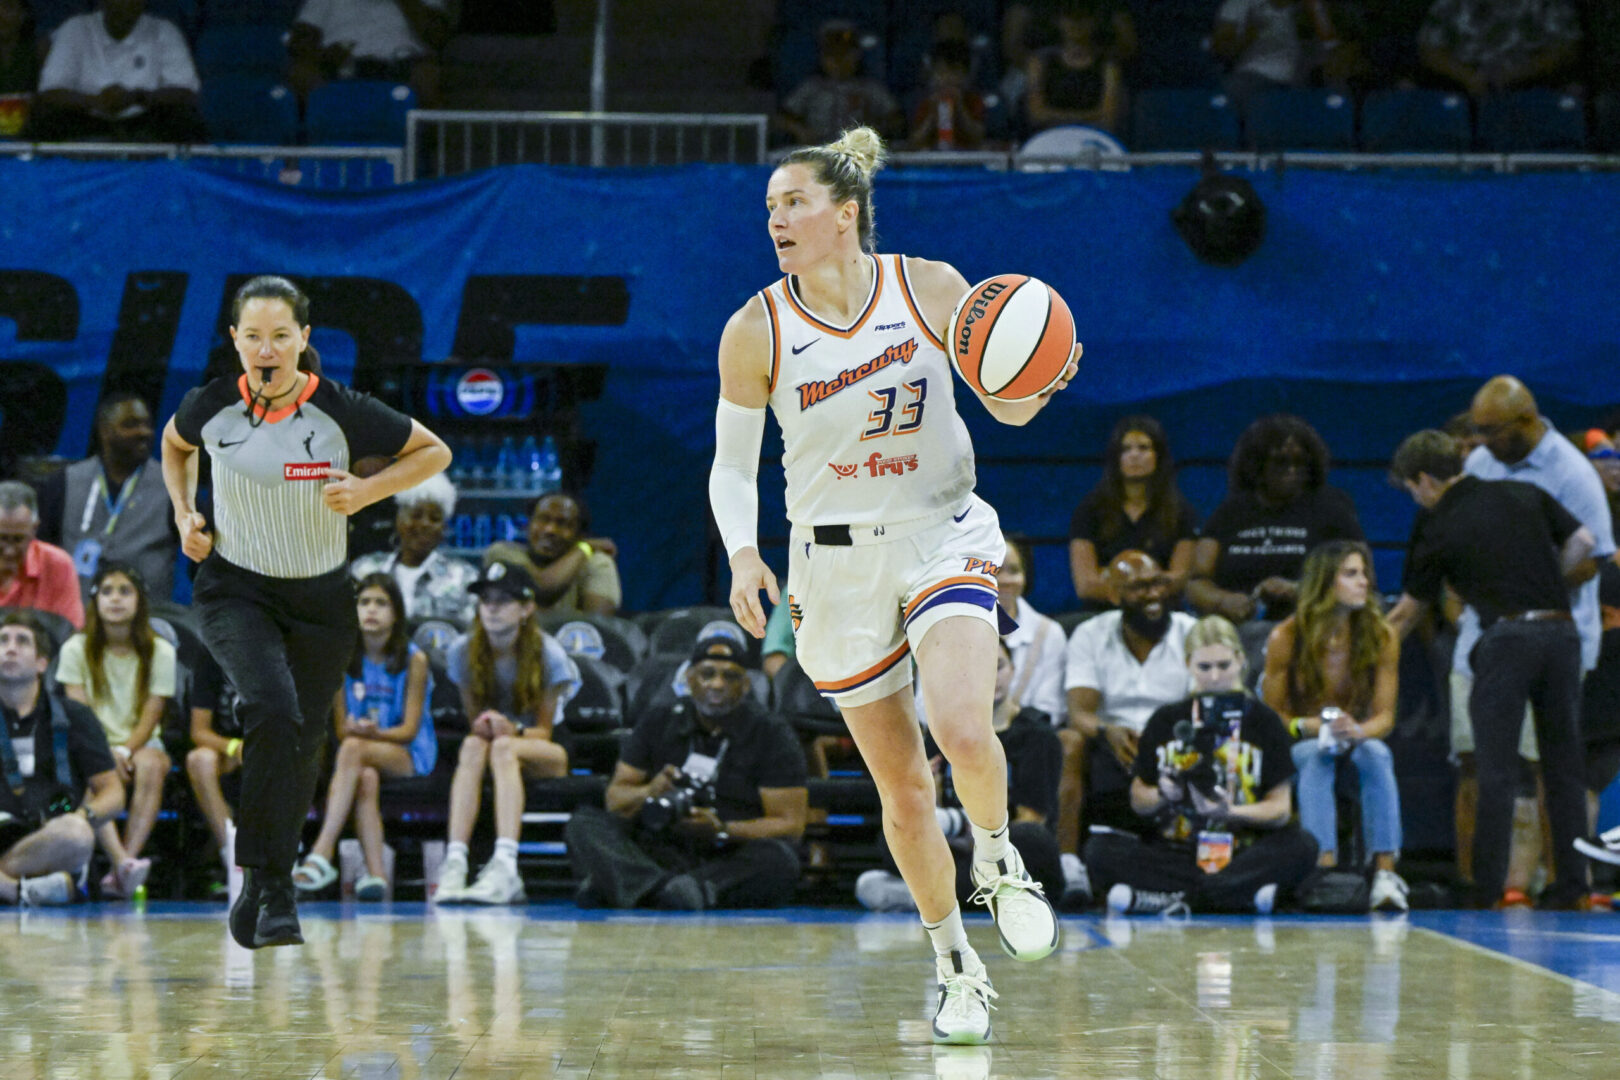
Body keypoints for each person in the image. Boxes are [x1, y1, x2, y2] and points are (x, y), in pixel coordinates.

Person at [712, 126, 1079, 1045]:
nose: (776, 220)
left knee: (962, 725)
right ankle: (956, 965)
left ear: (846, 214)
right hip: (830, 565)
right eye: (768, 208)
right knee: (906, 790)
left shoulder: (931, 286)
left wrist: (1042, 380)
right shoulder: (756, 327)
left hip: (940, 535)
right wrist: (742, 553)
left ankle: (1000, 864)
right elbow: (730, 468)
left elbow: (1003, 400)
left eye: (792, 203)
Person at [161, 275, 451, 949]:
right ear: (236, 341)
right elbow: (175, 448)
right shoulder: (212, 406)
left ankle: (265, 887)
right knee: (270, 709)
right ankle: (273, 881)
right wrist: (184, 515)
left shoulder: (340, 410)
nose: (267, 349)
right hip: (235, 587)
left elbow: (434, 451)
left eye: (281, 336)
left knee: (304, 743)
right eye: (254, 336)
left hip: (322, 598)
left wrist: (369, 490)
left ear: (304, 341)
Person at [1386, 429, 1595, 909]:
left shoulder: (1438, 524)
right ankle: (1572, 887)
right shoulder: (1524, 491)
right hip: (1562, 634)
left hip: (1508, 639)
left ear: (1423, 481)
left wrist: (1371, 652)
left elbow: (1409, 611)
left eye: (1412, 490)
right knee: (1564, 767)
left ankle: (1485, 887)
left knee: (1495, 768)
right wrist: (1543, 584)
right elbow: (1584, 541)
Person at [1449, 377, 1614, 902]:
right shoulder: (1480, 466)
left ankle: (1569, 882)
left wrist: (1523, 582)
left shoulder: (1572, 474)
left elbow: (1592, 560)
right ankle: (1483, 879)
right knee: (1483, 761)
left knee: (1555, 764)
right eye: (1478, 432)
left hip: (1559, 633)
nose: (1485, 442)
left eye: (1493, 432)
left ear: (1527, 421)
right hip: (1488, 632)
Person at [1088, 615, 1318, 914]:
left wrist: (1231, 811)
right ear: (1188, 665)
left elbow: (1280, 810)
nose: (1213, 677)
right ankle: (1234, 897)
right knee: (1099, 850)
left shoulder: (1265, 722)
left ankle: (1172, 899)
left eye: (1223, 666)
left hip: (1242, 850)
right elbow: (1138, 801)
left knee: (1303, 845)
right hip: (1177, 850)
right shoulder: (1167, 720)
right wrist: (1164, 794)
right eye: (1204, 667)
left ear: (1239, 661)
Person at [566, 631, 808, 910]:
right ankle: (668, 890)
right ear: (690, 679)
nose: (717, 684)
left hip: (730, 852)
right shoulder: (658, 719)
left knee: (780, 860)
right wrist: (649, 791)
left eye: (730, 677)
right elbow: (615, 799)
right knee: (584, 824)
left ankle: (630, 885)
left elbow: (790, 825)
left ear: (745, 685)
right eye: (707, 674)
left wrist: (722, 830)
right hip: (660, 844)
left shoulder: (771, 731)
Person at [859, 638, 1064, 912]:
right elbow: (922, 820)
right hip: (955, 852)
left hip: (1006, 852)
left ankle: (922, 899)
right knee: (893, 835)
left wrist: (968, 832)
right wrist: (927, 797)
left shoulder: (1037, 735)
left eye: (998, 666)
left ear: (1013, 670)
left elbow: (1031, 820)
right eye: (978, 667)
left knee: (1032, 842)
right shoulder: (941, 733)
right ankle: (962, 897)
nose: (990, 676)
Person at [1262, 540, 1408, 911]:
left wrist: (1358, 731)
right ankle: (1321, 868)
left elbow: (1385, 717)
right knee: (1317, 756)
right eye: (1351, 574)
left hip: (1355, 737)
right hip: (1303, 740)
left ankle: (1385, 873)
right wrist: (1307, 726)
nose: (1364, 583)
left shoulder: (1381, 635)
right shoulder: (1286, 636)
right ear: (1325, 583)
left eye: (1364, 574)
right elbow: (1270, 718)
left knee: (1377, 753)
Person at [434, 559, 579, 906]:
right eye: (486, 600)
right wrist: (486, 726)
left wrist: (511, 729)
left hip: (546, 747)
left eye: (504, 600)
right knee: (472, 744)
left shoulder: (549, 654)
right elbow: (474, 723)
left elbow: (544, 730)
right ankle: (455, 862)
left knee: (503, 749)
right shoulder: (462, 652)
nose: (493, 608)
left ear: (527, 608)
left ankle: (505, 866)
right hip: (495, 744)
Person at [1060, 550, 1197, 891]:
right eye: (1138, 588)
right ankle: (1069, 866)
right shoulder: (1090, 635)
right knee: (1074, 745)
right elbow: (1079, 714)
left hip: (1177, 745)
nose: (1153, 595)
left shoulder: (1191, 632)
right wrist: (1107, 731)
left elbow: (1203, 707)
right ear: (1113, 595)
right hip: (1114, 745)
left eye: (1157, 584)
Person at [293, 573, 435, 900]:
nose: (371, 610)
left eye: (381, 603)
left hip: (409, 753)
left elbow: (409, 730)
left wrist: (373, 733)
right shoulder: (340, 658)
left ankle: (321, 853)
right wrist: (359, 732)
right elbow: (342, 730)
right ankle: (376, 876)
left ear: (396, 613)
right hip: (362, 754)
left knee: (356, 751)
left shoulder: (415, 660)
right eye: (364, 602)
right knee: (365, 778)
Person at [53, 561, 175, 900]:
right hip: (93, 744)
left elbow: (153, 712)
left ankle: (127, 860)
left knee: (152, 764)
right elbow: (79, 714)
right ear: (94, 600)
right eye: (107, 591)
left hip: (140, 744)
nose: (116, 599)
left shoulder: (161, 650)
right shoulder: (75, 649)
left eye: (125, 591)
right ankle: (122, 864)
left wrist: (124, 751)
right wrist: (104, 752)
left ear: (140, 601)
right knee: (97, 776)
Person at [1189, 414, 1364, 626]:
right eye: (1281, 462)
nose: (1292, 470)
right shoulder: (1230, 511)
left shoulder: (1332, 508)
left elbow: (1362, 579)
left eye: (1300, 463)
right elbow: (1196, 581)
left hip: (1313, 628)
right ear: (1257, 465)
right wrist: (1222, 600)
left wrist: (1299, 590)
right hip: (1241, 630)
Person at [0, 610, 124, 906]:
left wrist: (84, 816)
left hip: (49, 835)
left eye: (22, 641)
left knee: (77, 834)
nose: (10, 648)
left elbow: (113, 791)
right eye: (3, 640)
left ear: (42, 662)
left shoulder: (74, 716)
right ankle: (23, 891)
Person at [36, 392, 176, 607]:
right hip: (75, 625)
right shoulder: (64, 483)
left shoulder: (175, 487)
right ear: (104, 431)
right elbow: (41, 556)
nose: (144, 432)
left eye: (147, 424)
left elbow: (203, 563)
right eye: (131, 425)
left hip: (147, 625)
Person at [1069, 415, 1199, 611]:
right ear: (1116, 458)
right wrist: (1151, 583)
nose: (1134, 455)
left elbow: (1179, 579)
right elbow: (1086, 585)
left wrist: (1114, 579)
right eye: (1126, 449)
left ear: (1158, 456)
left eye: (1144, 448)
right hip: (1104, 614)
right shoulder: (1089, 509)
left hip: (1161, 612)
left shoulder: (1181, 511)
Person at [32, 0, 205, 143]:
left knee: (185, 122)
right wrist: (94, 101)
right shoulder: (76, 28)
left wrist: (138, 97)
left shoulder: (164, 30)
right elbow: (50, 91)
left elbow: (186, 92)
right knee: (45, 122)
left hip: (146, 118)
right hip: (86, 116)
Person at [349, 473, 479, 626]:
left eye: (435, 519)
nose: (424, 524)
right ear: (398, 520)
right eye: (416, 515)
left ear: (444, 529)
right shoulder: (364, 570)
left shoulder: (463, 577)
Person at [482, 491, 621, 616]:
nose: (550, 530)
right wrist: (585, 547)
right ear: (528, 525)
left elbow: (598, 627)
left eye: (562, 523)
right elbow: (539, 587)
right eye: (543, 519)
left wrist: (582, 548)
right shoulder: (503, 553)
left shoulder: (596, 562)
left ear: (579, 534)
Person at [288, 0, 449, 107]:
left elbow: (437, 37)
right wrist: (324, 55)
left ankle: (422, 155)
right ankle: (313, 151)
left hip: (401, 65)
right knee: (301, 74)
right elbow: (300, 38)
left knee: (428, 76)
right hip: (340, 63)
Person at [1419, 0, 1581, 98]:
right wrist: (1467, 77)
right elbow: (1429, 49)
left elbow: (1565, 48)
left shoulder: (1545, 4)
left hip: (1532, 88)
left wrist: (1516, 74)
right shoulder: (1451, 4)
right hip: (1462, 90)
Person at [776, 21, 903, 146]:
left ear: (857, 56)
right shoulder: (811, 87)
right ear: (822, 58)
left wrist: (875, 132)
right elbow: (782, 118)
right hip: (818, 149)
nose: (839, 62)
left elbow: (896, 119)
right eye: (832, 56)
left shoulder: (870, 88)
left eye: (845, 55)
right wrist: (801, 132)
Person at [182, 647, 243, 899]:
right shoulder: (212, 654)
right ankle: (233, 857)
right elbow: (199, 731)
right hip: (224, 755)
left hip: (272, 753)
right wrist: (234, 748)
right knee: (199, 759)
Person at [1213, 0, 1349, 109]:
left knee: (1338, 88)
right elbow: (1221, 49)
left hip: (1305, 75)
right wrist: (1249, 34)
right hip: (1254, 75)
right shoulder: (1238, 4)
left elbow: (1331, 43)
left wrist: (1315, 13)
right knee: (1232, 92)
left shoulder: (1312, 5)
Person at [1024, 0, 1125, 135]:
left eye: (1083, 18)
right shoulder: (1040, 62)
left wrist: (1060, 117)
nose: (1076, 24)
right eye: (1069, 18)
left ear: (1093, 22)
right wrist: (1085, 117)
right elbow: (1037, 114)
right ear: (1058, 21)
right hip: (1048, 137)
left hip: (1094, 137)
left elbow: (1108, 117)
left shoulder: (1108, 65)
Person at [0, 481, 83, 629]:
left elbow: (70, 635)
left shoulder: (59, 565)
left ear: (34, 529)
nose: (9, 551)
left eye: (18, 539)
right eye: (2, 538)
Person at [907, 37, 988, 151]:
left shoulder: (974, 101)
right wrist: (932, 115)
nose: (948, 78)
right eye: (942, 72)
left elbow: (978, 137)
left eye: (954, 72)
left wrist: (960, 108)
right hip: (933, 159)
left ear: (965, 75)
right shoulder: (927, 102)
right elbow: (915, 141)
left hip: (966, 159)